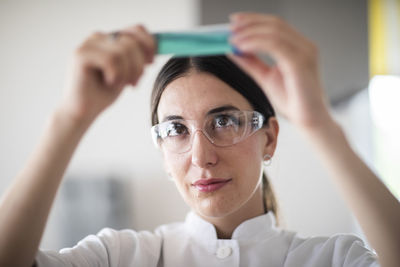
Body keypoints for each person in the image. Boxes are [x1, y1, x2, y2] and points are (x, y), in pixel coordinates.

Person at [0, 12, 399, 267]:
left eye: (224, 120)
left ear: (269, 138)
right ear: (161, 149)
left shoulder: (333, 260)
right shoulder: (117, 257)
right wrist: (70, 118)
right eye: (176, 129)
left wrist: (319, 126)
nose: (201, 156)